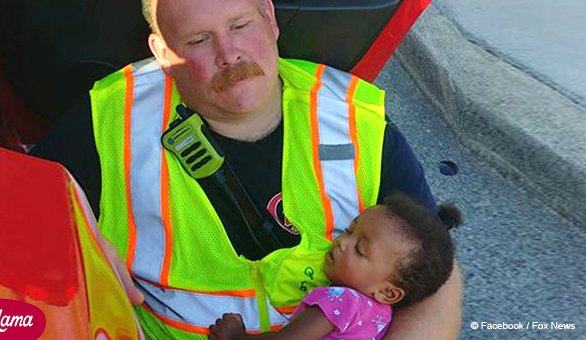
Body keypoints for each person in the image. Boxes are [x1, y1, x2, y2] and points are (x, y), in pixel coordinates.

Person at [31, 0, 462, 338]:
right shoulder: (107, 121)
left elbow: (434, 279)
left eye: (240, 26)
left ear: (270, 18)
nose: (229, 54)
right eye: (199, 39)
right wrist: (76, 242)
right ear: (163, 52)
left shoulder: (354, 121)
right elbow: (6, 214)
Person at [208, 193, 461, 339]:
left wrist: (236, 337)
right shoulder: (381, 315)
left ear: (388, 292)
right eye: (349, 230)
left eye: (360, 249)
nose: (341, 242)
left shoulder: (340, 301)